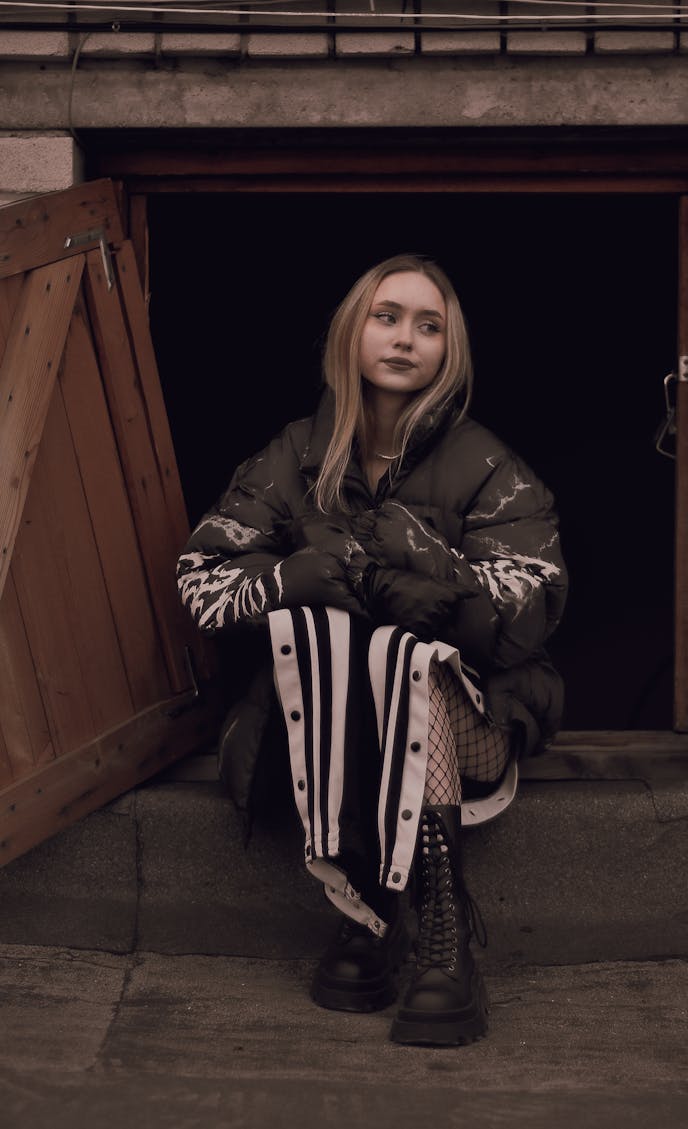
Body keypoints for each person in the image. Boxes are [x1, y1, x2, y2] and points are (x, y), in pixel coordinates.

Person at [176, 254, 567, 1047]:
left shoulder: (488, 463)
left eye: (430, 325)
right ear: (351, 334)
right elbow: (202, 577)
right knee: (343, 638)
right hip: (334, 726)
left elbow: (534, 604)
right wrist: (318, 575)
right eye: (386, 317)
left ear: (449, 350)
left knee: (407, 659)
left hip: (469, 716)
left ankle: (439, 931)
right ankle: (365, 910)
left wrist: (438, 580)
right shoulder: (293, 455)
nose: (404, 339)